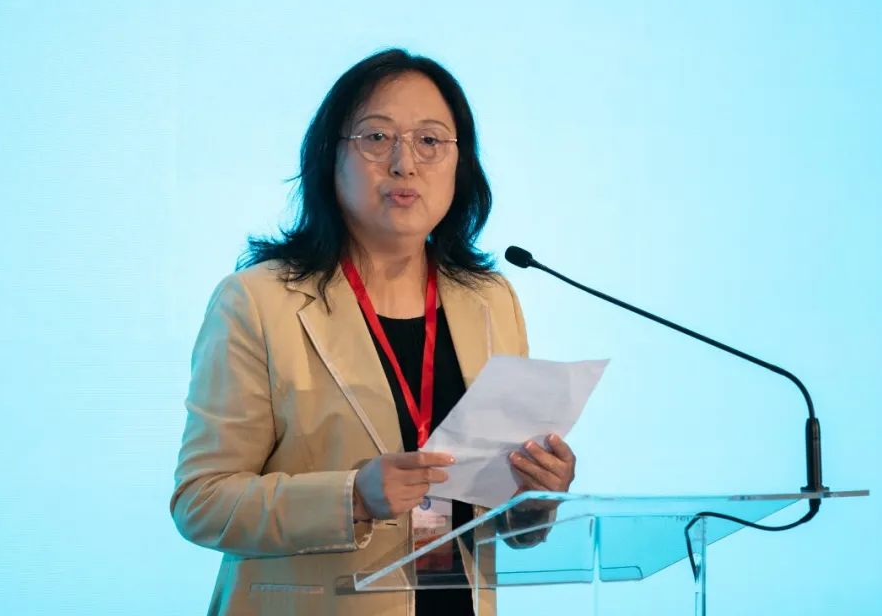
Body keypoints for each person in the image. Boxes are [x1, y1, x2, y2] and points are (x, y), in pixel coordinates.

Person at [170, 48, 577, 616]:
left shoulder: (490, 301)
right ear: (328, 156)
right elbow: (202, 501)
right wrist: (352, 497)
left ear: (460, 164)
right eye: (377, 137)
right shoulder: (258, 302)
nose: (405, 163)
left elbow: (500, 519)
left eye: (430, 141)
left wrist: (535, 499)